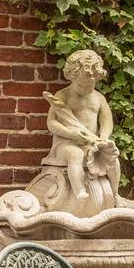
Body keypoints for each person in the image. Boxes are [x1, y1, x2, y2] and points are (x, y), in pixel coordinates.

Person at [32, 49, 119, 217]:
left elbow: (107, 121)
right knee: (75, 155)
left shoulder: (98, 98)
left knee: (114, 161)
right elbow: (52, 123)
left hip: (92, 143)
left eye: (91, 84)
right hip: (66, 144)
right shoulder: (62, 95)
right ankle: (80, 191)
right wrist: (72, 135)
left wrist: (104, 138)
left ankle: (116, 194)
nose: (86, 89)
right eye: (81, 85)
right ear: (72, 77)